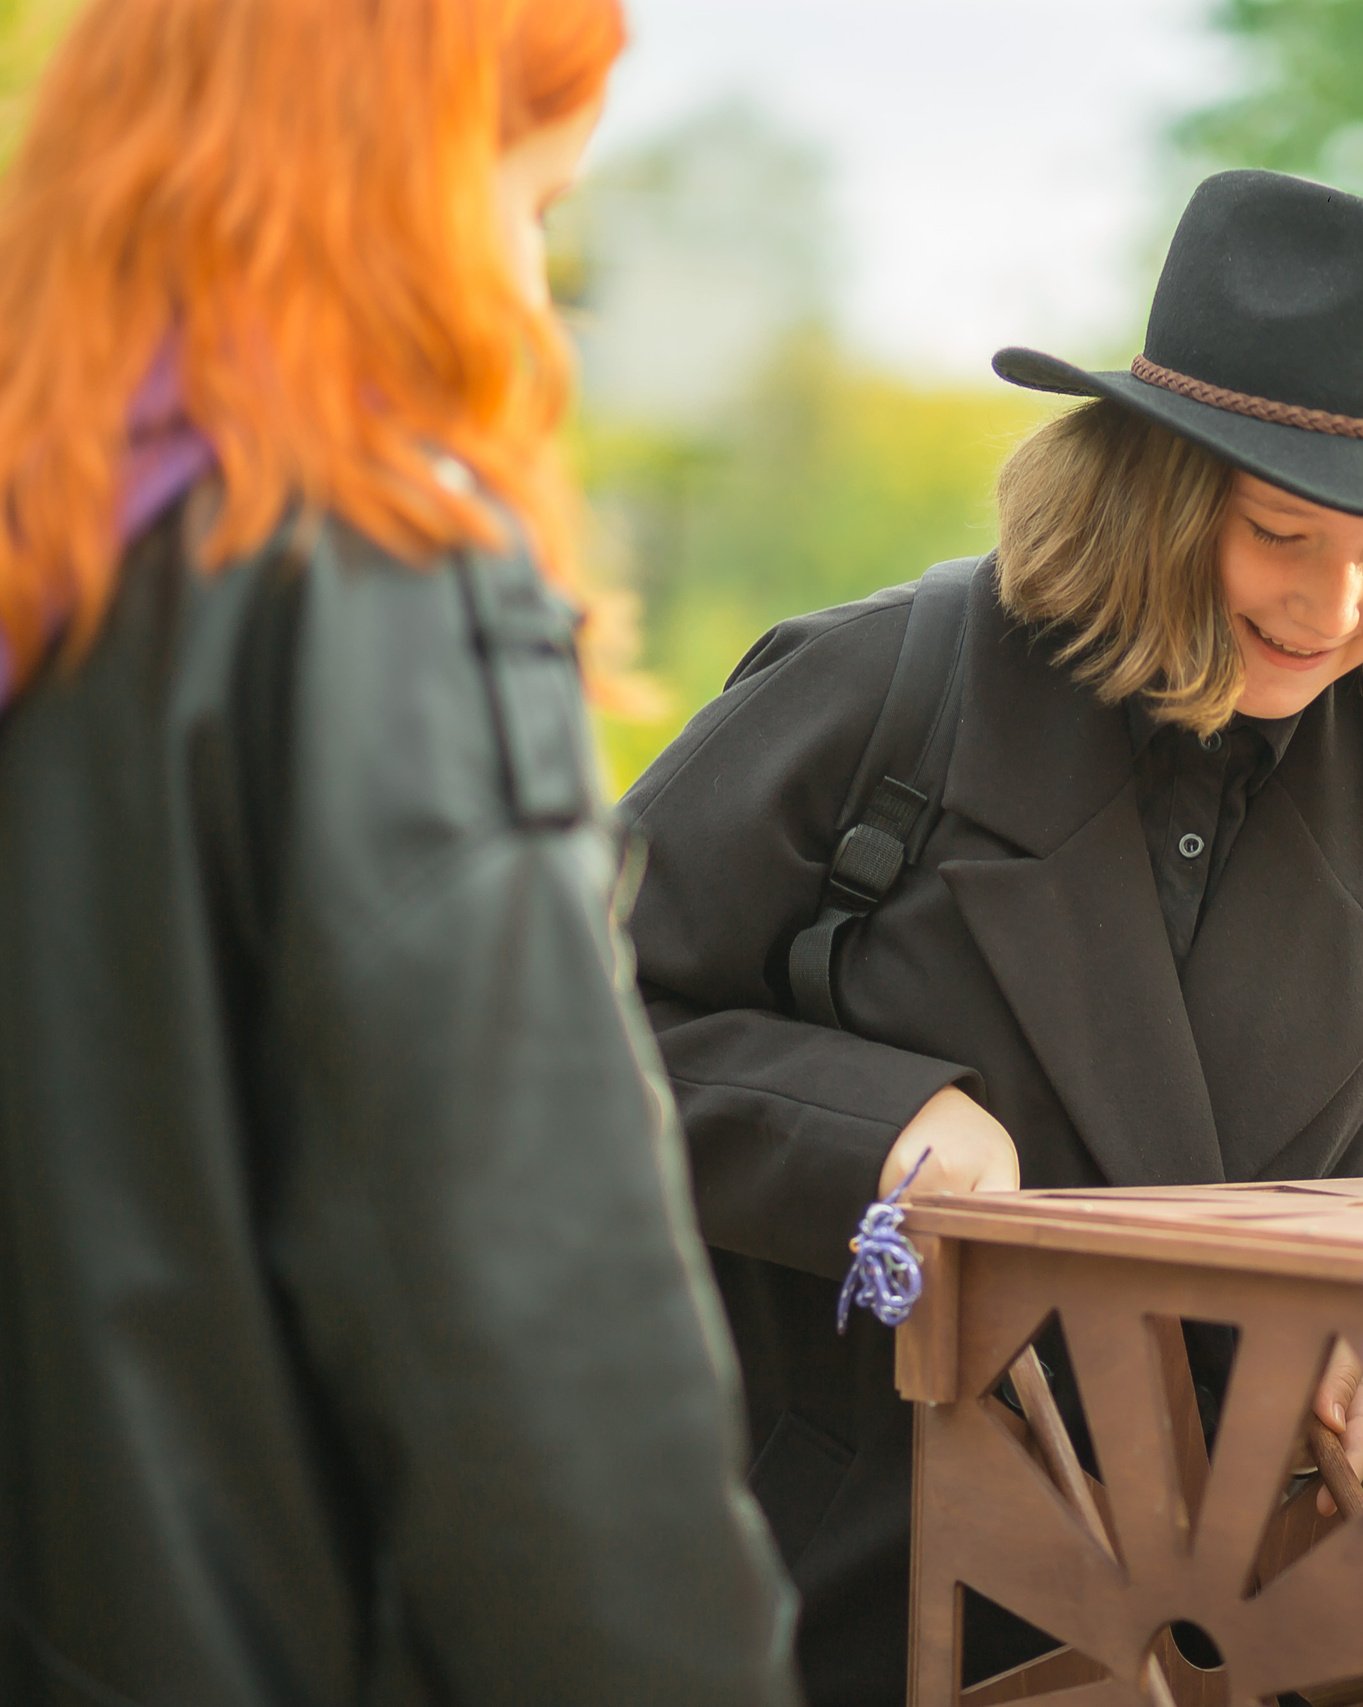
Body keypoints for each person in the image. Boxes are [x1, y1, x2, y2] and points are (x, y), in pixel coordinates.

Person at [622, 169, 1363, 1705]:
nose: (1331, 604)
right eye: (1280, 528)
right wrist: (875, 1124)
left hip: (1261, 1611)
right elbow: (568, 1032)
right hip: (849, 1590)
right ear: (1158, 484)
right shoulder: (880, 682)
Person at [0, 3, 800, 1703]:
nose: (534, 289)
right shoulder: (380, 582)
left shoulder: (55, 566)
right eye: (533, 209)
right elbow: (528, 1317)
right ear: (407, 187)